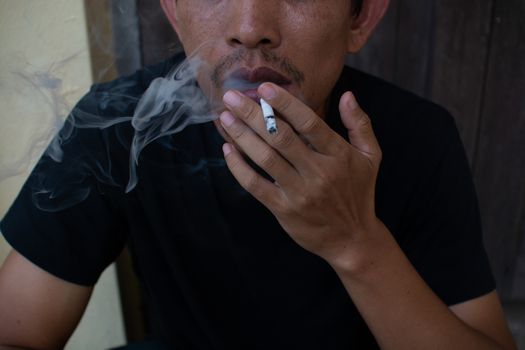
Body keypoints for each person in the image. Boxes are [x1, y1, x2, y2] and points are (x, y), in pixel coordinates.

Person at [0, 0, 517, 349]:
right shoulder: (119, 124)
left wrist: (356, 242)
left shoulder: (418, 136)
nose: (249, 28)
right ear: (174, 12)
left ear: (361, 18)